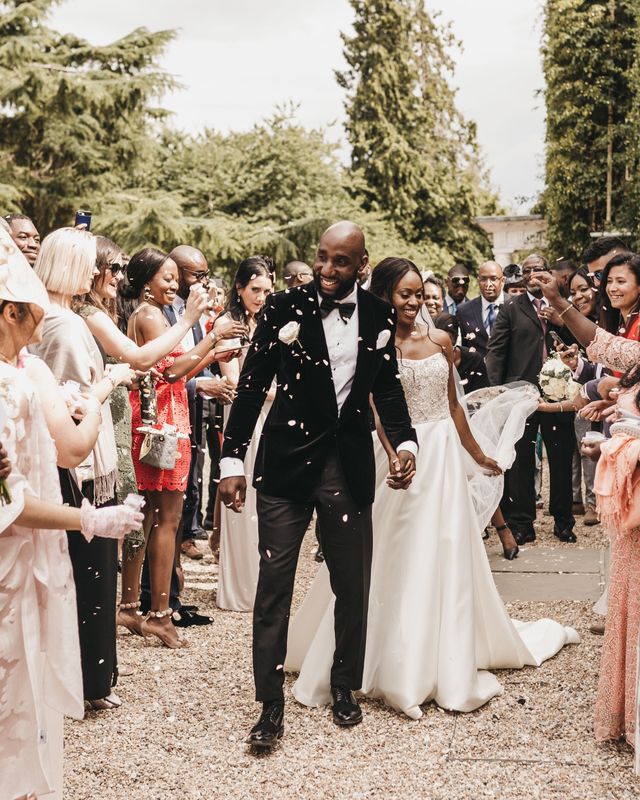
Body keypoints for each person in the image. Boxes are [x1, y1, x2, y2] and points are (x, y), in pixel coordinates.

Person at [286, 257, 578, 719]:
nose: (413, 302)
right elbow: (375, 407)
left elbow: (454, 407)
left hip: (442, 453)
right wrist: (396, 453)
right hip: (400, 453)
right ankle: (374, 655)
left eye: (418, 294)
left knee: (443, 548)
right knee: (387, 551)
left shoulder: (441, 339)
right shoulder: (375, 343)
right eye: (404, 294)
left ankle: (438, 653)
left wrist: (478, 455)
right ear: (384, 295)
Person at [218, 222, 418, 748]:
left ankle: (344, 684)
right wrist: (231, 461)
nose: (327, 270)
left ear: (362, 265)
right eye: (322, 258)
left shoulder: (378, 315)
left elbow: (387, 391)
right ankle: (269, 705)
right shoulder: (282, 308)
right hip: (285, 465)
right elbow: (251, 386)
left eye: (341, 262)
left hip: (347, 468)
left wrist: (406, 445)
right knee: (274, 585)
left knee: (352, 584)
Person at [0, 228, 144, 800]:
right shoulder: (11, 385)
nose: (43, 325)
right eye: (35, 311)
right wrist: (87, 519)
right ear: (12, 312)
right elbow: (10, 503)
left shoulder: (23, 374)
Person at [30, 227, 134, 709]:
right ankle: (91, 683)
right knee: (91, 574)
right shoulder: (65, 325)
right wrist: (111, 381)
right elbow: (72, 401)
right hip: (82, 465)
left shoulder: (56, 317)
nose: (95, 271)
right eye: (90, 261)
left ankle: (88, 678)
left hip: (77, 456)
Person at [120, 247, 244, 648]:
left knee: (146, 516)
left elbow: (175, 369)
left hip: (159, 418)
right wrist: (209, 335)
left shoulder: (148, 313)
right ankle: (159, 615)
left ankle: (129, 606)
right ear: (147, 282)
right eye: (168, 278)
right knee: (166, 520)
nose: (175, 285)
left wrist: (213, 350)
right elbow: (171, 371)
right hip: (163, 424)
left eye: (177, 278)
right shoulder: (152, 315)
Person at [486, 253, 577, 545]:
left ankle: (563, 522)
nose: (533, 274)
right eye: (527, 270)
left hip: (559, 394)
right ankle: (523, 523)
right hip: (521, 395)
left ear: (548, 272)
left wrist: (560, 322)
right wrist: (497, 393)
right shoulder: (511, 308)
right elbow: (497, 352)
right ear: (522, 276)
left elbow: (581, 342)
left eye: (538, 269)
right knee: (521, 461)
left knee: (560, 460)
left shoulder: (563, 306)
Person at [167, 245, 236, 561]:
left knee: (191, 477)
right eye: (198, 274)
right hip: (168, 410)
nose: (204, 281)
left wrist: (214, 362)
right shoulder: (163, 312)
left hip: (190, 405)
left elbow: (191, 360)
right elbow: (167, 369)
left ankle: (183, 544)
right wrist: (201, 382)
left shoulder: (188, 310)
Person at [216, 256, 274, 611]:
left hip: (271, 416)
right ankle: (240, 587)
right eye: (255, 290)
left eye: (267, 291)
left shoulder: (270, 321)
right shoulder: (227, 324)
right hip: (243, 414)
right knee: (242, 490)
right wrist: (279, 392)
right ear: (239, 288)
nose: (261, 297)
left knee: (267, 495)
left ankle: (265, 582)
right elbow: (235, 381)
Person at [457, 260, 505, 356]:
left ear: (502, 281)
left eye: (493, 279)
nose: (488, 284)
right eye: (483, 279)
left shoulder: (515, 305)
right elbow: (465, 349)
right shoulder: (464, 310)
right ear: (478, 281)